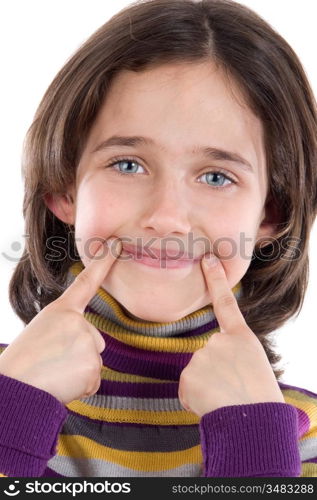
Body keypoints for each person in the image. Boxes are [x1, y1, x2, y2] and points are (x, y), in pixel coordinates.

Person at [0, 0, 316, 478]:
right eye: (128, 164)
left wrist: (254, 448)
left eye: (215, 176)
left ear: (272, 213)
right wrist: (12, 415)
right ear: (62, 189)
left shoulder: (300, 439)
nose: (166, 218)